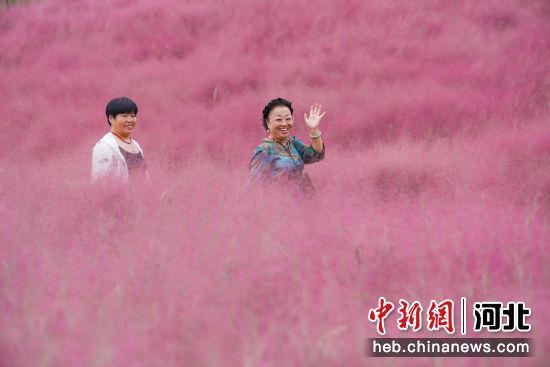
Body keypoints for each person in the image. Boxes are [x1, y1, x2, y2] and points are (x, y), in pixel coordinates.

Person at [248, 97, 326, 193]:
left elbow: (316, 155)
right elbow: (254, 188)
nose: (284, 123)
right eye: (279, 120)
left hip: (303, 203)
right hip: (281, 205)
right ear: (268, 122)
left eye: (288, 119)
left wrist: (314, 129)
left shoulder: (292, 143)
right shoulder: (264, 151)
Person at [91, 97, 148, 184]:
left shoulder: (136, 145)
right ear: (111, 119)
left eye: (132, 116)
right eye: (124, 116)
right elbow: (99, 182)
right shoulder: (105, 146)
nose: (129, 120)